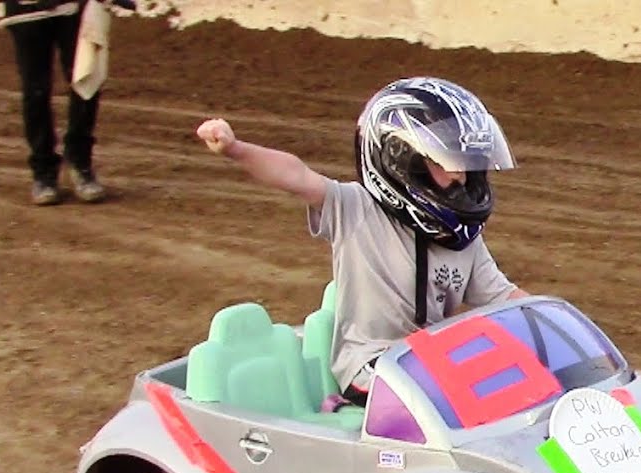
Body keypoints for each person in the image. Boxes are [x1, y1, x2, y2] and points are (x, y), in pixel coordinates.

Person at [196, 76, 529, 406]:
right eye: (449, 161)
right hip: (372, 368)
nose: (462, 175)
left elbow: (505, 297)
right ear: (404, 158)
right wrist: (235, 149)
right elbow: (295, 176)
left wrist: (563, 325)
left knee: (519, 385)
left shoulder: (462, 238)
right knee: (479, 397)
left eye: (468, 163)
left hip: (429, 364)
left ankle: (551, 457)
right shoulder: (355, 209)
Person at [0, 0, 108, 206]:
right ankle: (43, 170)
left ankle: (79, 160)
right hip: (25, 10)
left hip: (73, 6)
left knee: (85, 78)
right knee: (35, 89)